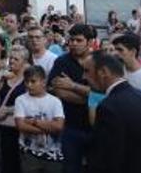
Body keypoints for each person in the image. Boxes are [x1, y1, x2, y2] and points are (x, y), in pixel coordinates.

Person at [84, 50, 141, 173]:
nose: (84, 77)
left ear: (103, 72)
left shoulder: (108, 107)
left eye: (87, 71)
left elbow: (105, 157)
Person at [49, 23, 95, 173]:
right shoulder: (62, 62)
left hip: (97, 127)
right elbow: (59, 92)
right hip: (70, 126)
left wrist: (72, 86)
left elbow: (106, 94)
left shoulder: (99, 61)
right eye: (72, 40)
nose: (74, 44)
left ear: (89, 42)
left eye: (79, 40)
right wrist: (92, 98)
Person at [14, 65, 65, 172]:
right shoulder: (21, 100)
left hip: (52, 153)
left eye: (33, 81)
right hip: (29, 152)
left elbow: (59, 126)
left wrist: (34, 121)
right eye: (26, 82)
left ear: (43, 82)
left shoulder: (55, 101)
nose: (29, 85)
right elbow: (20, 125)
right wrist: (48, 128)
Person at [0, 46, 30, 173]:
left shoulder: (30, 79)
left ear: (24, 62)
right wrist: (0, 79)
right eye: (11, 58)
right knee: (5, 161)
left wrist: (8, 110)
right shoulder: (5, 75)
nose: (12, 61)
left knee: (18, 163)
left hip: (20, 128)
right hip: (3, 127)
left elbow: (32, 102)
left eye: (16, 59)